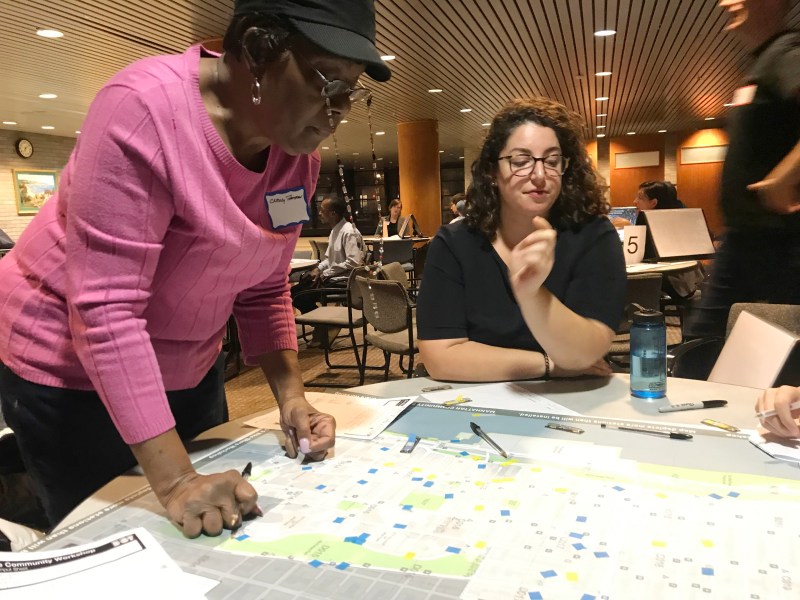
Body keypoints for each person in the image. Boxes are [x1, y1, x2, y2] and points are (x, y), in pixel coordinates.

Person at [0, 0, 390, 535]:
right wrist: (176, 480)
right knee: (116, 536)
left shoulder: (297, 159)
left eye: (353, 89)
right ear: (256, 49)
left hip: (189, 360)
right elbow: (105, 312)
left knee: (215, 523)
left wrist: (292, 396)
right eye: (328, 80)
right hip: (71, 371)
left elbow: (263, 286)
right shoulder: (142, 109)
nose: (341, 106)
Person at [416, 96, 626, 382]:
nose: (540, 175)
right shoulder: (455, 243)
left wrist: (531, 293)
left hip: (574, 402)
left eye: (552, 161)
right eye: (521, 161)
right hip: (476, 403)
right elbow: (440, 357)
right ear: (492, 171)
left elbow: (585, 352)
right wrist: (549, 364)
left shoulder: (592, 235)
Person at [685, 0, 800, 339]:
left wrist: (787, 175)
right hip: (747, 240)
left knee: (707, 343)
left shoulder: (785, 52)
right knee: (703, 342)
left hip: (782, 242)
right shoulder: (761, 62)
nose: (726, 2)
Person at [291, 196, 365, 317]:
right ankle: (323, 323)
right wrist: (318, 269)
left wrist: (326, 273)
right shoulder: (335, 231)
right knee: (296, 290)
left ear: (333, 214)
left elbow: (354, 263)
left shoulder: (349, 232)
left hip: (344, 281)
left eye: (322, 210)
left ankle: (323, 324)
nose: (319, 213)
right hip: (332, 277)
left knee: (299, 295)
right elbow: (329, 260)